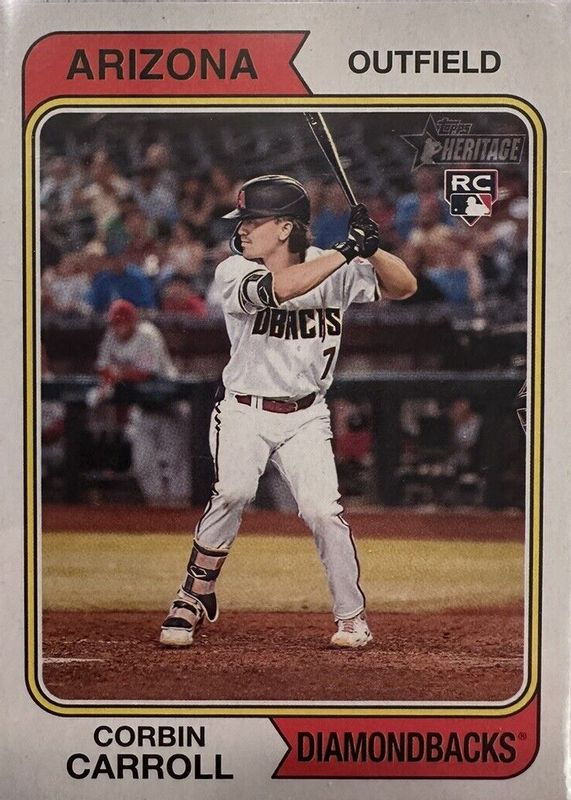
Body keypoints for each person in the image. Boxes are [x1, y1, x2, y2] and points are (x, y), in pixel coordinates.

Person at [160, 174, 416, 649]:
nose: (241, 229)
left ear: (284, 228)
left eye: (252, 221)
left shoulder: (334, 263)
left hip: (306, 415)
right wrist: (347, 251)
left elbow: (405, 287)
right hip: (244, 409)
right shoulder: (233, 270)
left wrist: (374, 248)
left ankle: (352, 617)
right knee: (234, 491)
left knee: (323, 512)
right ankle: (192, 594)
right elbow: (279, 290)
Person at [92, 299, 191, 505]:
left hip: (169, 404)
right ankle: (157, 507)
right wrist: (115, 374)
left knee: (176, 462)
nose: (118, 328)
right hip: (143, 407)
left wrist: (118, 373)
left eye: (122, 322)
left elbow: (145, 373)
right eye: (115, 323)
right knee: (143, 462)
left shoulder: (147, 334)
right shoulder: (111, 335)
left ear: (133, 321)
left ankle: (181, 508)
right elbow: (102, 367)